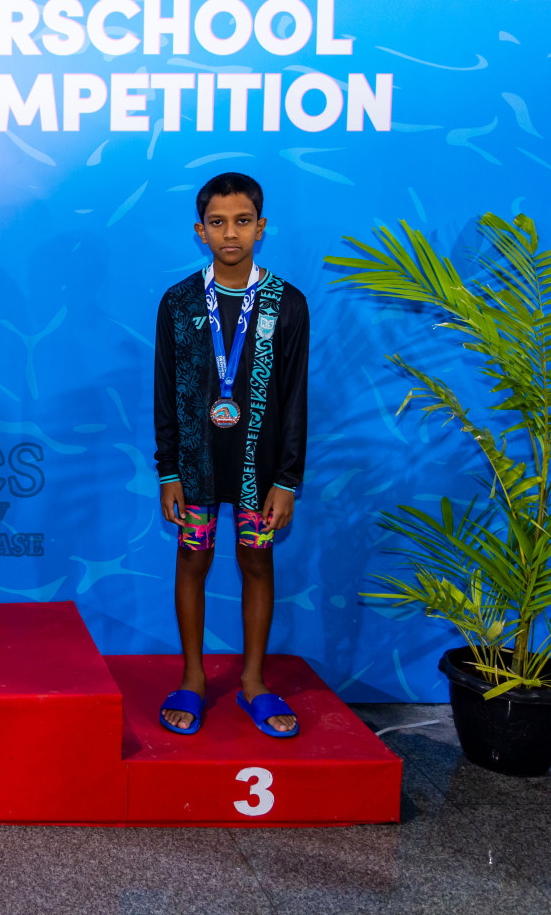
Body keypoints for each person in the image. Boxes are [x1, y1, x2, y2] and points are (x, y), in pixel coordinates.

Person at [154, 172, 309, 739]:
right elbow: (165, 391)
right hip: (194, 465)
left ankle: (253, 682)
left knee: (256, 562)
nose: (230, 233)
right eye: (217, 223)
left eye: (242, 221)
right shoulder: (179, 302)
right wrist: (167, 469)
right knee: (192, 561)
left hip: (259, 470)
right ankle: (193, 678)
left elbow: (295, 398)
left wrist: (287, 480)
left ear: (261, 227)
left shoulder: (288, 304)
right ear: (200, 231)